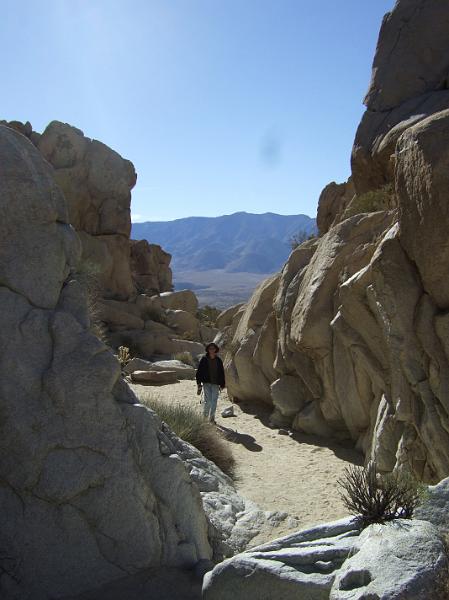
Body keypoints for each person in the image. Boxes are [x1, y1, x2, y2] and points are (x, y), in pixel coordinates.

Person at [196, 343, 225, 423]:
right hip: (206, 383)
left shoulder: (218, 360)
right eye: (210, 348)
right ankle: (205, 418)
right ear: (208, 350)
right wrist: (199, 384)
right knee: (208, 401)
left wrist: (222, 384)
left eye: (213, 348)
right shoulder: (204, 359)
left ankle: (212, 418)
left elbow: (221, 372)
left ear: (215, 349)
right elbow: (199, 372)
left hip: (216, 383)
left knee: (214, 401)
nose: (211, 350)